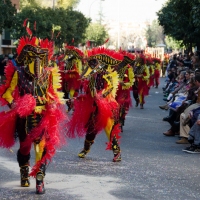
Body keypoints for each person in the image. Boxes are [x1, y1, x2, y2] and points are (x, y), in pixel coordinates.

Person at [0, 36, 66, 194]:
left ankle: (40, 179)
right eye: (33, 57)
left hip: (43, 116)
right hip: (24, 118)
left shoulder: (49, 75)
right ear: (27, 58)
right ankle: (24, 171)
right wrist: (15, 104)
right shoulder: (19, 73)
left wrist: (53, 102)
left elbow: (54, 94)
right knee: (24, 148)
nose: (37, 62)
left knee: (41, 147)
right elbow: (7, 94)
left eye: (40, 57)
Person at [67, 47, 123, 162]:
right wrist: (79, 98)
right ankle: (86, 149)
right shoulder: (93, 77)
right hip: (94, 107)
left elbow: (109, 89)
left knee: (109, 130)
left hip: (107, 106)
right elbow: (89, 93)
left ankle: (117, 152)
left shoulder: (108, 75)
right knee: (91, 130)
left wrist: (100, 96)